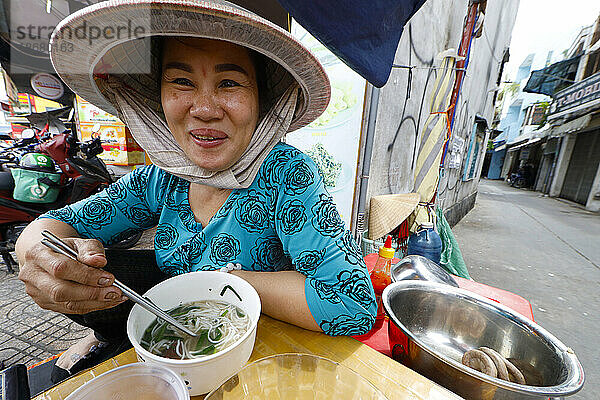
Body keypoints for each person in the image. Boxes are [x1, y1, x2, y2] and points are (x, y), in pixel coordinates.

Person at [15, 0, 376, 382]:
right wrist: (39, 257)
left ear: (263, 99)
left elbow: (351, 305)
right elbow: (53, 225)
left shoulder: (286, 174)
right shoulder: (163, 177)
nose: (203, 109)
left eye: (230, 83)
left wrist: (229, 282)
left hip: (263, 364)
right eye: (182, 81)